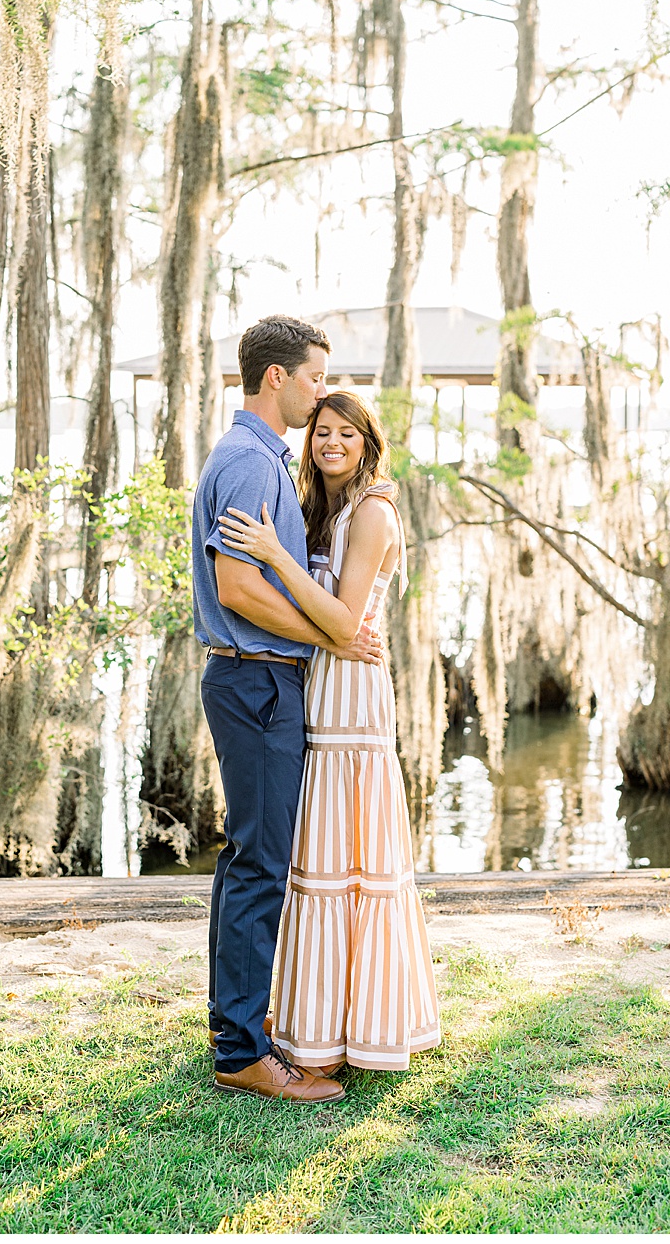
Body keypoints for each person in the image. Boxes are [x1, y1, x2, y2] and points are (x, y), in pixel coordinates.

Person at [218, 390, 443, 1074]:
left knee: (354, 864)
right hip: (316, 688)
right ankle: (315, 1027)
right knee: (314, 860)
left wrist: (273, 556)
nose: (331, 443)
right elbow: (327, 625)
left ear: (366, 441)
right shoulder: (323, 509)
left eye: (346, 432)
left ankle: (364, 1030)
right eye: (321, 432)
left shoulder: (374, 511)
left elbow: (347, 623)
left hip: (354, 698)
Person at [194, 314, 383, 1103]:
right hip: (258, 680)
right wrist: (327, 635)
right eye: (312, 377)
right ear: (277, 377)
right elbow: (238, 587)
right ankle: (242, 1049)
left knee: (247, 856)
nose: (318, 392)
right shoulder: (249, 463)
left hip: (259, 679)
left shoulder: (259, 459)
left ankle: (231, 1026)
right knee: (263, 861)